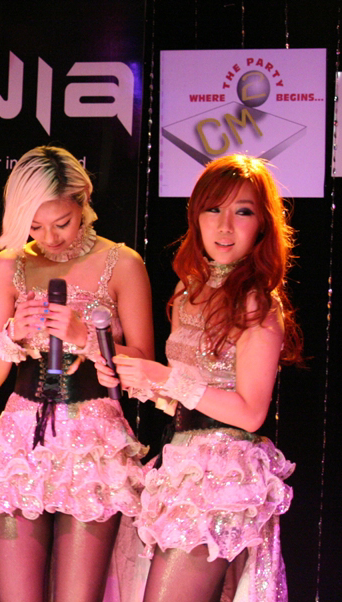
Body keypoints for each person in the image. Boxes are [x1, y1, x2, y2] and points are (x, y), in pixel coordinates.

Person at [100, 154, 300, 601]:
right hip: (181, 462)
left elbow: (249, 413)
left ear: (262, 225)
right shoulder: (187, 291)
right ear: (196, 216)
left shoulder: (257, 302)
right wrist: (141, 379)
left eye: (242, 212)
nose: (225, 226)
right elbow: (185, 399)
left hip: (224, 472)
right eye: (213, 209)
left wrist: (164, 378)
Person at [0, 146, 154, 601]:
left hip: (93, 438)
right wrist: (13, 334)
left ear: (83, 199)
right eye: (34, 226)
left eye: (61, 223)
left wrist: (86, 337)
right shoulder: (9, 265)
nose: (49, 237)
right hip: (22, 437)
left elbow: (144, 369)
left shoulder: (122, 263)